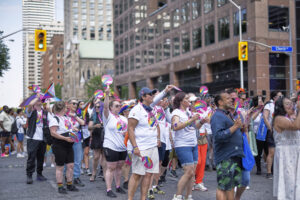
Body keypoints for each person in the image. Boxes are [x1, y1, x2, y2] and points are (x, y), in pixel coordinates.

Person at [127, 85, 173, 200]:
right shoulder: (136, 110)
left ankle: (143, 198)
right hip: (141, 148)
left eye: (153, 95)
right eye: (150, 95)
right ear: (143, 97)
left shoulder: (150, 109)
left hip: (152, 147)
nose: (152, 97)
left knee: (149, 174)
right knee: (137, 174)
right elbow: (130, 129)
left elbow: (156, 124)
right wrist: (135, 147)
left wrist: (165, 91)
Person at [211, 91, 244, 200]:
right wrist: (235, 127)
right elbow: (218, 136)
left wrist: (239, 127)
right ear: (220, 102)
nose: (231, 100)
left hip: (233, 155)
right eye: (228, 98)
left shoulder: (226, 114)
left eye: (231, 98)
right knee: (223, 187)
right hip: (226, 157)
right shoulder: (217, 116)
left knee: (230, 186)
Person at [171, 92, 203, 200]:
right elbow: (175, 127)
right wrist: (192, 120)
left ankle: (188, 196)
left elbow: (195, 127)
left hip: (193, 143)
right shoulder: (176, 113)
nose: (189, 101)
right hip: (183, 145)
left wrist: (201, 121)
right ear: (181, 101)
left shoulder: (188, 112)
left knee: (192, 173)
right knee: (188, 171)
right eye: (187, 99)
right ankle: (177, 196)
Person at [49, 101, 80, 194]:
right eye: (66, 108)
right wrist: (65, 138)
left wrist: (73, 129)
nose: (67, 109)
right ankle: (60, 186)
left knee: (70, 165)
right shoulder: (54, 119)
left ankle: (69, 184)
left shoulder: (66, 117)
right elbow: (53, 133)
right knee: (60, 167)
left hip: (69, 144)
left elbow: (68, 128)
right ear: (62, 109)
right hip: (59, 145)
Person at [272, 97, 300, 200]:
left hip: (295, 152)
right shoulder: (279, 119)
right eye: (287, 104)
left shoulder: (292, 117)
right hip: (286, 154)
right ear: (281, 107)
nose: (291, 106)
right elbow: (296, 126)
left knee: (296, 181)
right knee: (289, 182)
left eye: (291, 103)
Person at [103, 88, 128, 197]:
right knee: (111, 167)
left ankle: (118, 186)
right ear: (111, 108)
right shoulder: (108, 117)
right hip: (110, 146)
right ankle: (109, 189)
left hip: (122, 147)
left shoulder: (124, 118)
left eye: (119, 106)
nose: (119, 107)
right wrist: (107, 95)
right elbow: (104, 107)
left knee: (119, 167)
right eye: (116, 106)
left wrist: (126, 133)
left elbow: (129, 130)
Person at [25, 94, 49, 184]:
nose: (39, 100)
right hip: (33, 137)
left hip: (42, 138)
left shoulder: (45, 112)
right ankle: (29, 175)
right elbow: (30, 105)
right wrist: (37, 97)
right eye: (37, 100)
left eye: (40, 99)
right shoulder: (31, 110)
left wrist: (46, 102)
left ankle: (39, 174)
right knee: (31, 157)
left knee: (41, 157)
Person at [263, 91, 282, 179]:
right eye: (279, 96)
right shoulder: (269, 105)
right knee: (271, 152)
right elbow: (265, 117)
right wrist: (270, 128)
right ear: (274, 97)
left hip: (281, 131)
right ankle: (269, 172)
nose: (281, 97)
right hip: (272, 131)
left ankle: (279, 171)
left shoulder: (283, 105)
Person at [66, 98, 85, 187]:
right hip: (66, 136)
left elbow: (83, 123)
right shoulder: (64, 114)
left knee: (77, 158)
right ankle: (67, 176)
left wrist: (74, 116)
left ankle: (76, 177)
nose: (75, 105)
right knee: (67, 158)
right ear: (68, 104)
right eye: (73, 103)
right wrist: (70, 128)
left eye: (76, 104)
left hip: (76, 137)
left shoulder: (77, 114)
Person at [88, 99, 106, 182]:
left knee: (104, 156)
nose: (97, 108)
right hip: (96, 136)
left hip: (105, 136)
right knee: (96, 157)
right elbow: (89, 127)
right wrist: (95, 126)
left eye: (98, 107)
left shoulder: (106, 115)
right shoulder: (93, 115)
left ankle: (104, 174)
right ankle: (94, 173)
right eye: (95, 107)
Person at [251, 96, 267, 175]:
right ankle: (258, 168)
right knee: (258, 152)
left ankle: (270, 168)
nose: (261, 102)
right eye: (259, 101)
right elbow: (251, 119)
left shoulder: (266, 110)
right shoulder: (253, 110)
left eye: (262, 100)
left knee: (267, 151)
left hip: (266, 134)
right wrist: (258, 110)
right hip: (256, 134)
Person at [78, 100, 92, 176]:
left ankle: (87, 168)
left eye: (83, 104)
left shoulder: (87, 113)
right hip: (80, 134)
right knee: (80, 152)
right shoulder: (77, 113)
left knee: (86, 152)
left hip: (87, 134)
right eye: (81, 104)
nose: (83, 105)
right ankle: (80, 167)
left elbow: (89, 124)